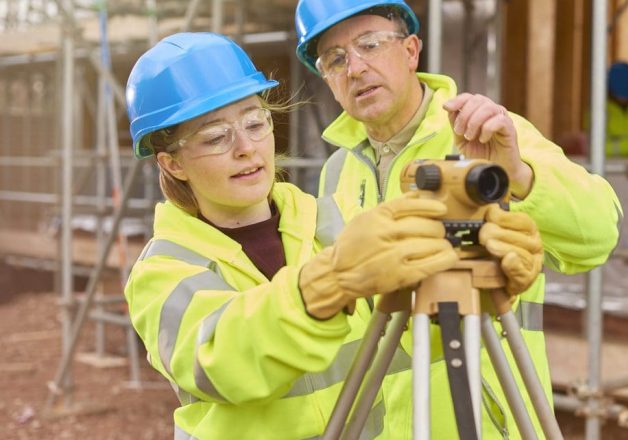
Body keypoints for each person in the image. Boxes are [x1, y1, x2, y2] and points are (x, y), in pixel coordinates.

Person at [123, 32, 540, 439]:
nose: (247, 148)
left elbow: (404, 338)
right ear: (172, 163)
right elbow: (223, 361)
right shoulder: (164, 270)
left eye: (255, 123)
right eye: (216, 137)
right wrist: (325, 284)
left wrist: (476, 285)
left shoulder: (330, 221)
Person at [293, 1, 624, 437]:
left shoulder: (485, 134)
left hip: (485, 423)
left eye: (369, 45)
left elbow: (599, 233)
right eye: (335, 59)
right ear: (328, 81)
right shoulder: (337, 172)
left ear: (411, 51)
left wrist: (516, 174)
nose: (355, 68)